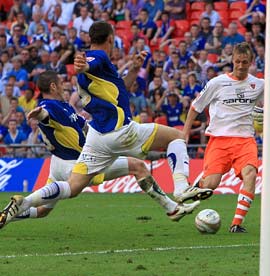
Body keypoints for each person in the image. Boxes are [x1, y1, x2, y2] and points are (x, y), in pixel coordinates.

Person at [0, 22, 212, 229]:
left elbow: (119, 94)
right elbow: (91, 62)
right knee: (177, 137)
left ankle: (24, 203)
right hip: (119, 131)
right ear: (111, 39)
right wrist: (85, 65)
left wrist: (134, 69)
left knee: (73, 187)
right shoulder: (98, 57)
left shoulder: (96, 76)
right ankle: (182, 187)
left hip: (97, 138)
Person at [183, 42, 270, 233]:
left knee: (251, 174)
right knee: (210, 186)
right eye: (238, 61)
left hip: (245, 141)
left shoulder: (258, 84)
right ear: (232, 60)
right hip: (219, 140)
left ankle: (236, 224)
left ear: (251, 62)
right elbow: (195, 107)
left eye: (244, 62)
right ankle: (195, 188)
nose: (240, 65)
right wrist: (185, 134)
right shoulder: (217, 83)